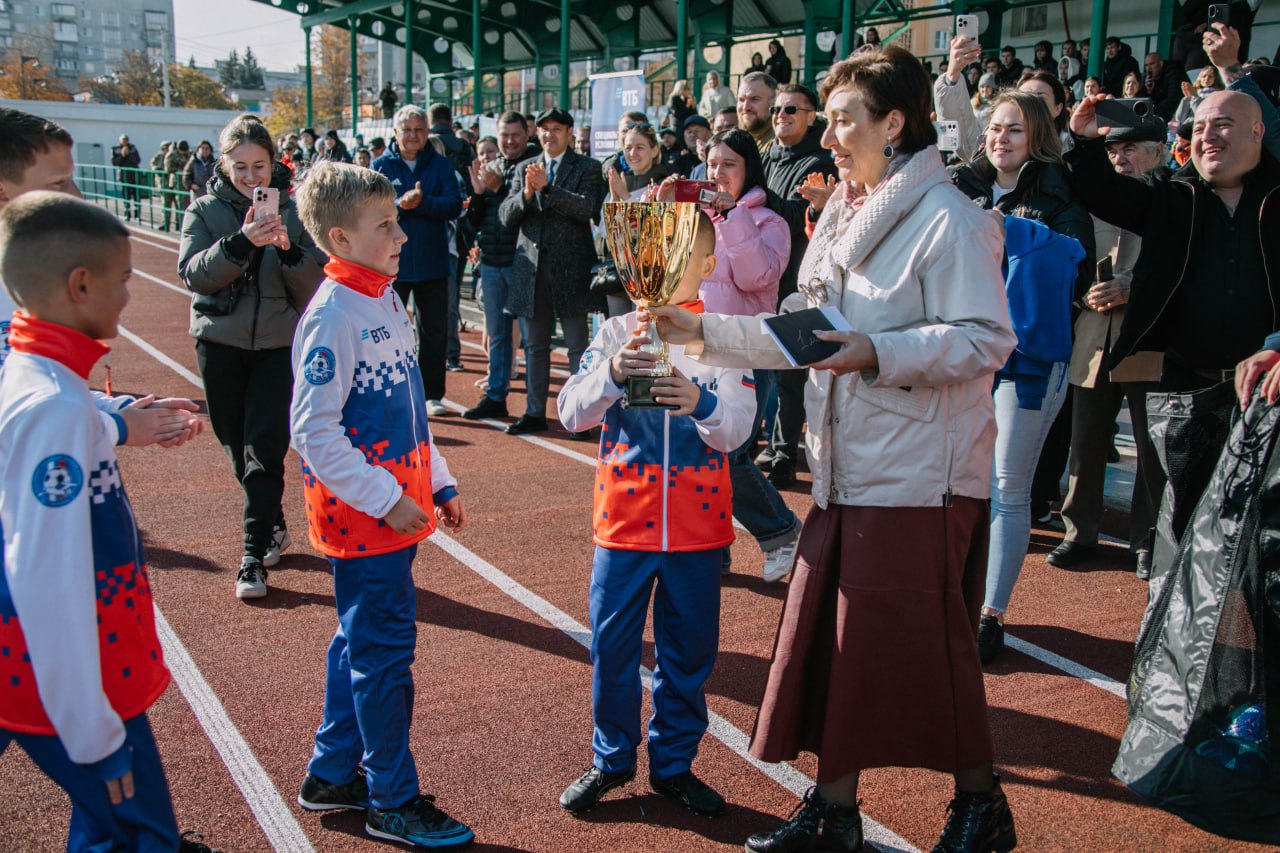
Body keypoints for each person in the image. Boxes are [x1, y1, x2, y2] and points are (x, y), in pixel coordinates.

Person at [651, 45, 1017, 853]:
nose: (831, 130)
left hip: (922, 475)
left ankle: (980, 805)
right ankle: (836, 810)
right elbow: (802, 332)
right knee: (832, 645)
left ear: (895, 122)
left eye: (847, 115)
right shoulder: (849, 212)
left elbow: (986, 339)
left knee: (927, 650)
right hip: (851, 469)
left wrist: (876, 353)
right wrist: (701, 328)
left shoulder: (947, 217)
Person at [288, 161, 471, 850]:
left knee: (358, 643)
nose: (401, 234)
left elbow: (410, 413)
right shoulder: (335, 312)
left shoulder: (384, 296)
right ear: (340, 236)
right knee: (384, 656)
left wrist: (439, 480)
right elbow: (312, 431)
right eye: (385, 225)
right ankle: (391, 796)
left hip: (393, 511)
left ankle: (333, 770)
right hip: (365, 521)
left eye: (397, 220)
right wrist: (388, 497)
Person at [555, 210, 754, 818]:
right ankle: (610, 760)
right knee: (613, 648)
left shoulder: (722, 335)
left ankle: (674, 765)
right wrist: (613, 373)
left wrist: (703, 402)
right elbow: (570, 411)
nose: (663, 265)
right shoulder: (615, 331)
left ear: (708, 266)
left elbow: (738, 432)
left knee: (689, 652)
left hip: (698, 532)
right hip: (623, 526)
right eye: (653, 253)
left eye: (680, 254)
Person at [0, 192, 179, 851]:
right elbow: (47, 581)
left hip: (54, 672)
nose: (130, 295)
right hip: (75, 681)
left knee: (108, 835)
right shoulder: (55, 406)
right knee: (146, 838)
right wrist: (95, 736)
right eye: (124, 278)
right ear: (81, 286)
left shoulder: (38, 376)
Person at [1065, 23, 1280, 558]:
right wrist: (1086, 143)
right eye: (1200, 126)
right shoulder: (1171, 195)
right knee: (1183, 519)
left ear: (1258, 133)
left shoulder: (1277, 196)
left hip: (1270, 392)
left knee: (1260, 532)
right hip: (1187, 386)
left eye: (1225, 124)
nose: (1208, 135)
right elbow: (1101, 193)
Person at [949, 91, 1094, 664]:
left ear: (1037, 138)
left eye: (1014, 130)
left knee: (1007, 489)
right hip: (968, 355)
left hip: (1031, 359)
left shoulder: (1058, 193)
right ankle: (960, 599)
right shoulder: (963, 188)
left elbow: (1077, 252)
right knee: (966, 483)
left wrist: (1008, 227)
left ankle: (991, 616)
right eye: (995, 128)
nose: (1000, 138)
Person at [179, 114, 327, 599]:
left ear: (273, 164)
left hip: (277, 348)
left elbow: (315, 288)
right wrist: (242, 241)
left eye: (259, 166)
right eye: (240, 167)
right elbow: (195, 274)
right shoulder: (203, 211)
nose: (250, 177)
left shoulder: (295, 211)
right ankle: (273, 522)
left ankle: (251, 556)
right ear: (223, 165)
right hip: (219, 344)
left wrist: (287, 251)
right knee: (236, 446)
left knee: (264, 449)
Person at [0, 109, 204, 449]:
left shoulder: (26, 273)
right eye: (58, 183)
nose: (77, 196)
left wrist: (119, 408)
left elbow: (30, 388)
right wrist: (115, 427)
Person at [657, 129, 798, 581]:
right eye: (711, 165)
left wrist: (732, 215)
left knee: (732, 454)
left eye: (728, 165)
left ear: (748, 170)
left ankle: (782, 532)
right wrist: (664, 209)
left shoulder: (768, 222)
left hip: (745, 349)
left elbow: (758, 278)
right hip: (697, 349)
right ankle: (712, 548)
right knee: (700, 454)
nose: (717, 175)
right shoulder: (693, 217)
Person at [1049, 118, 1169, 580]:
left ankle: (1145, 540)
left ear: (1158, 151)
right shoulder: (1090, 201)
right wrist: (1085, 293)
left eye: (1131, 148)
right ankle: (1078, 533)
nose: (1120, 158)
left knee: (1149, 451)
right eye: (1113, 150)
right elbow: (1068, 261)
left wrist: (1131, 289)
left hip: (1146, 341)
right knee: (1085, 444)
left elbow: (1177, 267)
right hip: (1092, 337)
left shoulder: (1170, 201)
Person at [499, 106, 604, 436]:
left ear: (570, 133)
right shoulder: (523, 169)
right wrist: (529, 193)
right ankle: (534, 412)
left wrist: (548, 190)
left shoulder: (588, 167)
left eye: (557, 128)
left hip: (571, 270)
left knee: (577, 348)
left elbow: (588, 208)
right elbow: (505, 216)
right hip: (531, 273)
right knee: (535, 347)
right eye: (544, 129)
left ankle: (580, 416)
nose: (549, 134)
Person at [760, 83, 838, 488]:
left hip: (797, 280)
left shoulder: (820, 160)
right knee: (760, 365)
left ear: (812, 115)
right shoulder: (763, 155)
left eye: (791, 108)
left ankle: (785, 452)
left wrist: (757, 197)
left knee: (791, 374)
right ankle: (768, 444)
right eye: (776, 109)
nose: (781, 115)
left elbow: (798, 215)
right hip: (760, 278)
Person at [372, 105, 465, 419]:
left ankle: (432, 393)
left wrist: (422, 202)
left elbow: (454, 205)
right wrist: (400, 204)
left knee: (433, 331)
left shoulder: (440, 165)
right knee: (386, 331)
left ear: (427, 132)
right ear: (396, 132)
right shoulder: (380, 165)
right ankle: (389, 390)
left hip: (432, 262)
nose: (413, 136)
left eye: (419, 130)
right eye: (407, 130)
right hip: (389, 264)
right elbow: (371, 208)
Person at [463, 111, 539, 423]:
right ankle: (496, 395)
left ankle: (535, 409)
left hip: (522, 264)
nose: (509, 141)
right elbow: (474, 222)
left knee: (532, 340)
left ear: (526, 134)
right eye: (504, 135)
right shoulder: (493, 169)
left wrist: (498, 189)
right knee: (496, 335)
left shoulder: (533, 165)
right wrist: (480, 195)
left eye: (515, 135)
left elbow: (522, 212)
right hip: (492, 263)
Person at [738, 71, 779, 153]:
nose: (745, 107)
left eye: (754, 99)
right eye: (741, 100)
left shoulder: (779, 144)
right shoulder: (737, 141)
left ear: (774, 103)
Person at [111, 133, 142, 221]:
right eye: (124, 140)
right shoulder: (115, 149)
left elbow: (138, 160)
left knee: (136, 195)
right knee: (126, 195)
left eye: (126, 140)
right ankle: (127, 214)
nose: (125, 141)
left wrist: (129, 154)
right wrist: (122, 155)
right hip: (124, 176)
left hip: (134, 175)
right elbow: (114, 162)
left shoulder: (132, 147)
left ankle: (137, 215)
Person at [683, 114, 713, 180]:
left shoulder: (717, 159)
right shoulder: (679, 163)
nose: (692, 135)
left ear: (709, 134)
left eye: (697, 131)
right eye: (689, 132)